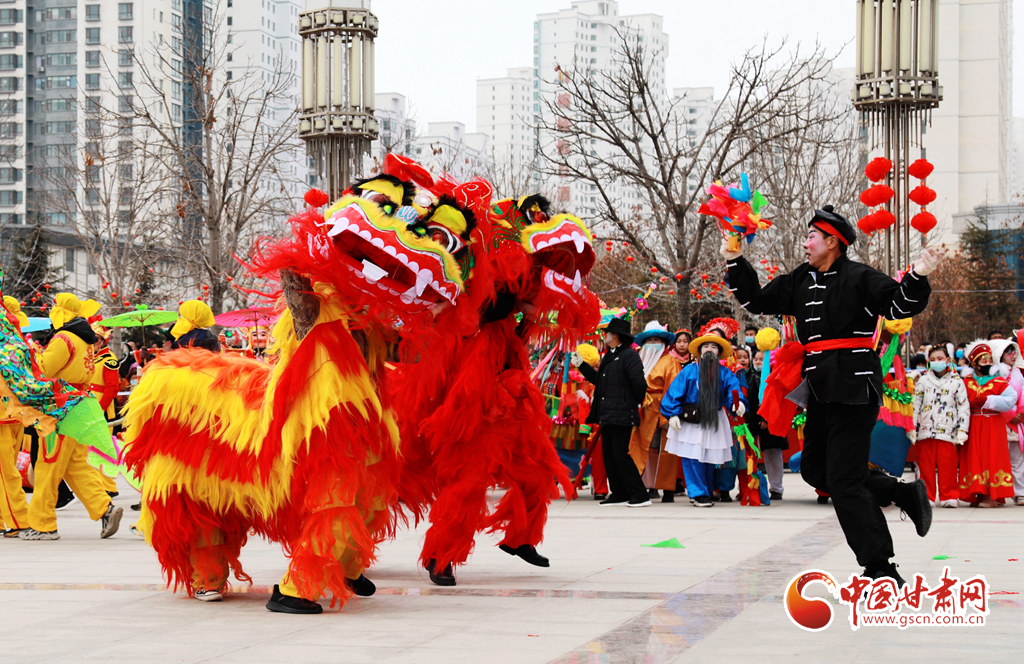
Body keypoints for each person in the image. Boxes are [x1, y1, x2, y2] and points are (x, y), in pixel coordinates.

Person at [724, 204, 940, 585]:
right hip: (821, 388)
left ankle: (880, 568)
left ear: (833, 242)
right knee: (814, 469)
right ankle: (901, 493)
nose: (805, 243)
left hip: (856, 385)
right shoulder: (799, 280)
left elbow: (898, 304)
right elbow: (756, 301)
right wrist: (735, 259)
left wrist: (918, 274)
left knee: (842, 480)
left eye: (811, 237)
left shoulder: (859, 277)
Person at [21, 293, 123, 541]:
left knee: (48, 464)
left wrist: (32, 352)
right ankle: (104, 509)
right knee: (76, 465)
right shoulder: (86, 339)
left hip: (60, 407)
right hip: (80, 403)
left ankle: (43, 524)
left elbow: (45, 369)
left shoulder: (63, 338)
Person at [660, 333, 746, 507]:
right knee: (692, 457)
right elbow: (674, 392)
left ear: (718, 352)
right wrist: (672, 414)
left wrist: (739, 403)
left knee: (709, 456)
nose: (709, 350)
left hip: (714, 418)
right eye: (706, 346)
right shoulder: (689, 370)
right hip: (692, 419)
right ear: (699, 351)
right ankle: (698, 492)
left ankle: (704, 490)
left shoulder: (725, 373)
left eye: (714, 347)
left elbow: (733, 390)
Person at [573, 317, 650, 507]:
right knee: (609, 453)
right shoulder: (609, 355)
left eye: (605, 332)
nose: (602, 335)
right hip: (607, 412)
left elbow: (639, 384)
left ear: (615, 335)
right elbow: (599, 380)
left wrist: (633, 403)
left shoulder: (629, 355)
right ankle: (619, 492)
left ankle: (639, 494)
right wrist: (582, 365)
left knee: (620, 453)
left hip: (622, 411)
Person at [628, 328, 692, 503]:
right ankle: (646, 485)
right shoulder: (638, 359)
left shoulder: (670, 361)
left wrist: (670, 414)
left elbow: (674, 388)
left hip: (663, 408)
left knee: (667, 450)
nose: (652, 344)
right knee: (643, 449)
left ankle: (668, 488)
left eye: (656, 340)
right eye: (649, 341)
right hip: (643, 411)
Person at [959, 342, 1017, 506]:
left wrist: (989, 400)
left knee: (993, 456)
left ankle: (992, 496)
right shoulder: (966, 382)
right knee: (974, 457)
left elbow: (1011, 399)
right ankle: (976, 493)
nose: (988, 363)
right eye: (984, 361)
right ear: (975, 363)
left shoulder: (998, 381)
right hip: (973, 424)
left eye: (990, 360)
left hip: (993, 424)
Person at [912, 344, 969, 507]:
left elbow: (963, 407)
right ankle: (926, 496)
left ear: (948, 360)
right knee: (925, 465)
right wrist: (911, 427)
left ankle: (949, 496)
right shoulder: (923, 381)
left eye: (940, 359)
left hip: (948, 430)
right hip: (926, 429)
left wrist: (962, 429)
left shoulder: (957, 382)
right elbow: (915, 405)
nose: (937, 362)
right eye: (933, 359)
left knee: (948, 465)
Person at [0, 295, 30, 537]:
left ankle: (19, 520)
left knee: (5, 471)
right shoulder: (19, 338)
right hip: (16, 411)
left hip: (4, 413)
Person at [748, 348, 789, 501]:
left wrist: (767, 418)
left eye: (762, 359)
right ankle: (750, 486)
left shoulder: (777, 377)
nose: (758, 362)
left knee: (773, 455)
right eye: (756, 359)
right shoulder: (750, 376)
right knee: (751, 455)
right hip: (753, 421)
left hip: (772, 422)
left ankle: (776, 488)